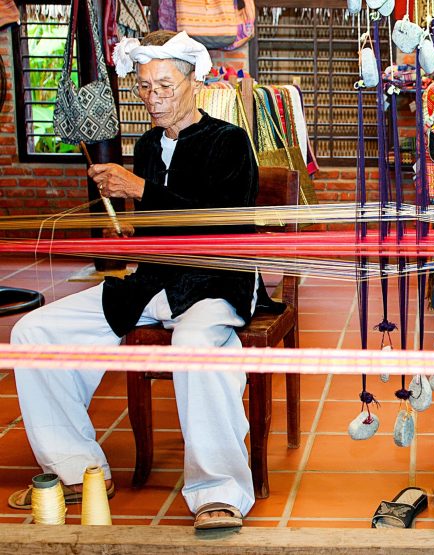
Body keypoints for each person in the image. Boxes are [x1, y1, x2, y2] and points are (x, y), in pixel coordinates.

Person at [8, 30, 272, 530]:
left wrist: (140, 189)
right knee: (33, 333)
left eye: (166, 86)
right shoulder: (149, 144)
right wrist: (134, 223)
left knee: (194, 344)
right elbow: (161, 224)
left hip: (216, 281)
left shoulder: (229, 141)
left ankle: (219, 491)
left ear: (195, 82)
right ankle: (76, 467)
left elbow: (221, 222)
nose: (154, 98)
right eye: (145, 87)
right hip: (155, 281)